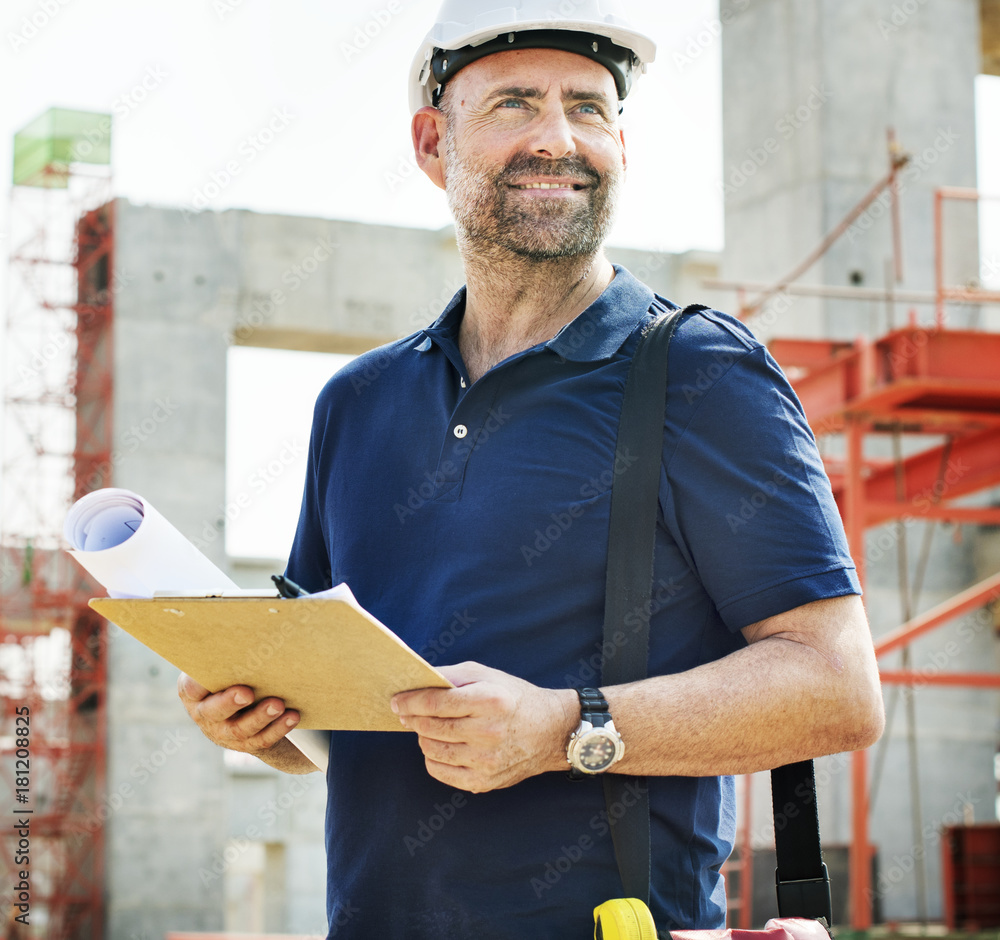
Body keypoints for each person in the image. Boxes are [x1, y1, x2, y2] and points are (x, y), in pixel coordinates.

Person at [178, 2, 885, 936]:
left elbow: (835, 691)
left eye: (588, 108)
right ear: (434, 143)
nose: (559, 139)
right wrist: (255, 720)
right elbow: (320, 729)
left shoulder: (702, 374)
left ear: (622, 146)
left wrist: (565, 727)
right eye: (516, 102)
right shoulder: (359, 403)